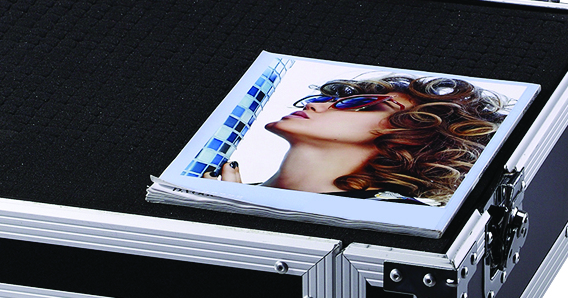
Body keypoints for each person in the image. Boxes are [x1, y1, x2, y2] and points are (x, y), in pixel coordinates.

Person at [207, 75, 507, 205]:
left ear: (414, 136)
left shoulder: (400, 217)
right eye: (324, 98)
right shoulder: (220, 189)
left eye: (359, 103)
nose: (316, 105)